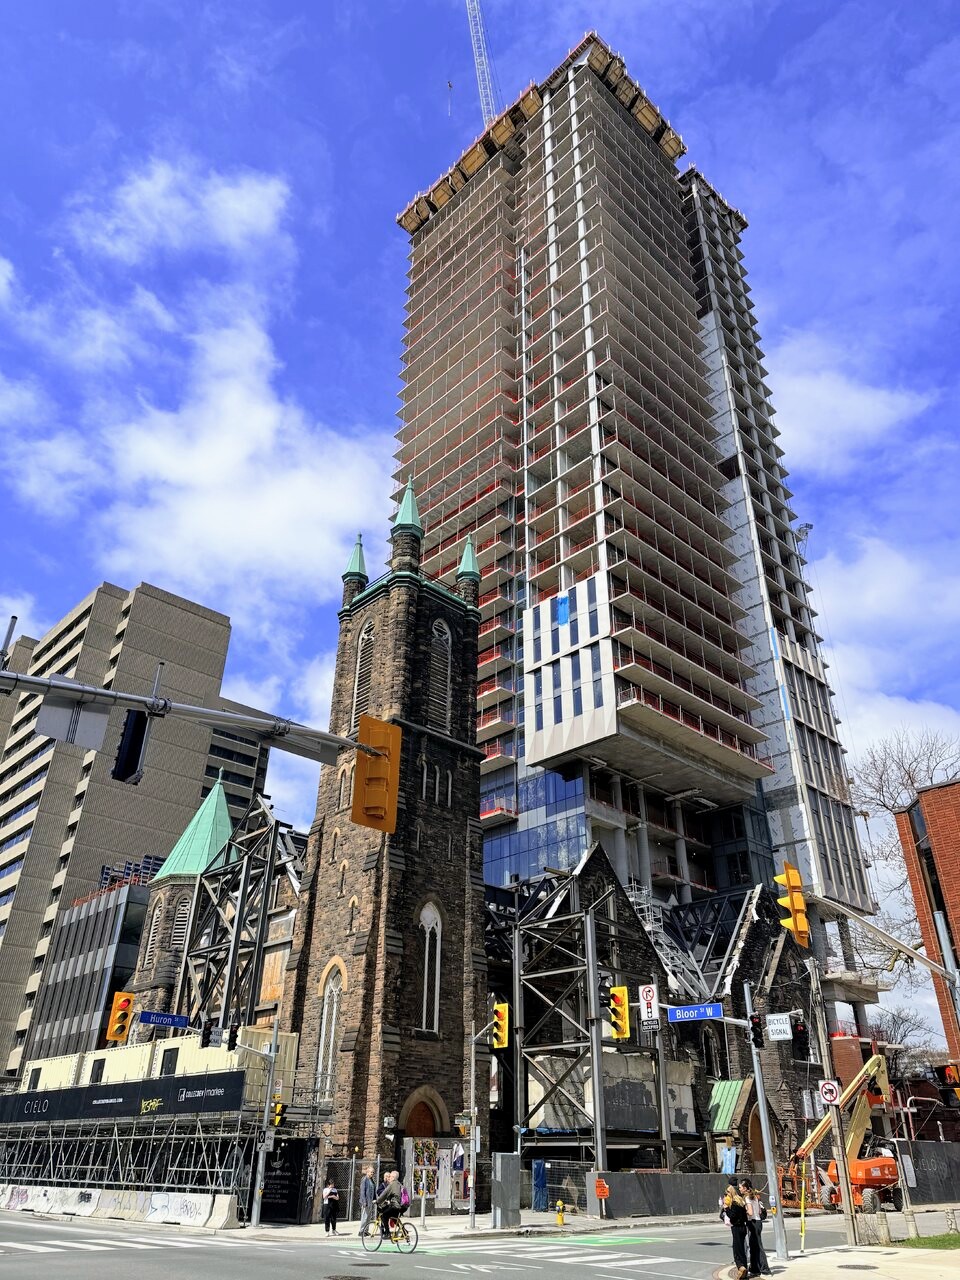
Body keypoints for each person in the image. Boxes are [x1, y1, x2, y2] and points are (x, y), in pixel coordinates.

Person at [739, 1178, 771, 1276]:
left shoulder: (748, 1198)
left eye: (740, 1187)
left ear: (745, 1188)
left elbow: (750, 1212)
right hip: (758, 1222)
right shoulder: (755, 1197)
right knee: (754, 1246)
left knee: (757, 1246)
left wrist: (743, 1212)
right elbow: (759, 1212)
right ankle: (754, 1268)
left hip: (752, 1223)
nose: (739, 1189)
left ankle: (764, 1268)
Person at [720, 1178, 749, 1279]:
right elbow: (745, 1217)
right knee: (742, 1249)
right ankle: (745, 1267)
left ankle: (741, 1267)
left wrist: (726, 1208)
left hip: (736, 1227)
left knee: (737, 1250)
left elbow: (732, 1216)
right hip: (743, 1227)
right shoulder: (741, 1202)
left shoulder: (734, 1204)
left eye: (728, 1193)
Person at [375, 1169, 404, 1234]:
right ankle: (405, 1232)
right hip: (401, 1206)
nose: (389, 1178)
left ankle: (387, 1233)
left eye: (390, 1176)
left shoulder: (392, 1184)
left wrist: (377, 1201)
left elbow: (384, 1194)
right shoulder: (399, 1184)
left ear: (393, 1177)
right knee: (394, 1218)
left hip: (395, 1206)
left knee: (384, 1215)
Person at [359, 1164, 376, 1238]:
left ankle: (366, 1231)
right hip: (366, 1202)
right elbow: (362, 1191)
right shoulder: (364, 1179)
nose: (372, 1173)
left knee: (369, 1217)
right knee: (364, 1217)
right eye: (371, 1172)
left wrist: (374, 1199)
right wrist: (364, 1202)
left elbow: (374, 1190)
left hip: (370, 1201)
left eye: (373, 1172)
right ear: (367, 1172)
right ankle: (361, 1231)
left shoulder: (371, 1180)